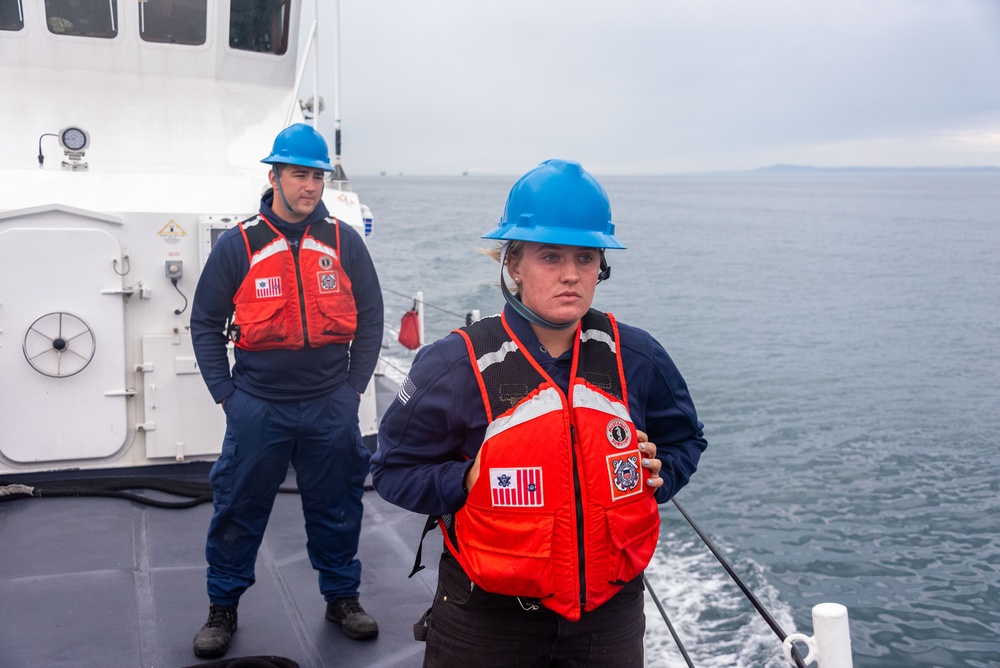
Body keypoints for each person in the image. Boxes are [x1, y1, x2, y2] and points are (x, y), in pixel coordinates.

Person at [370, 159, 707, 667]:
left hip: (608, 619)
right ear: (512, 264)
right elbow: (392, 470)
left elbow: (686, 440)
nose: (571, 274)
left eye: (586, 258)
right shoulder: (452, 365)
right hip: (485, 621)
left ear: (602, 266)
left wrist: (663, 473)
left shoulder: (636, 357)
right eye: (550, 257)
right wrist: (464, 480)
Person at [190, 123, 384, 659]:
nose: (311, 187)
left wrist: (352, 391)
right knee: (238, 506)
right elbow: (205, 322)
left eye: (317, 176)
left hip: (330, 404)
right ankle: (222, 606)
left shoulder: (343, 242)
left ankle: (342, 597)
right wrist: (227, 397)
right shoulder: (240, 243)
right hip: (258, 406)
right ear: (274, 176)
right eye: (300, 175)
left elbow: (371, 317)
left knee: (338, 503)